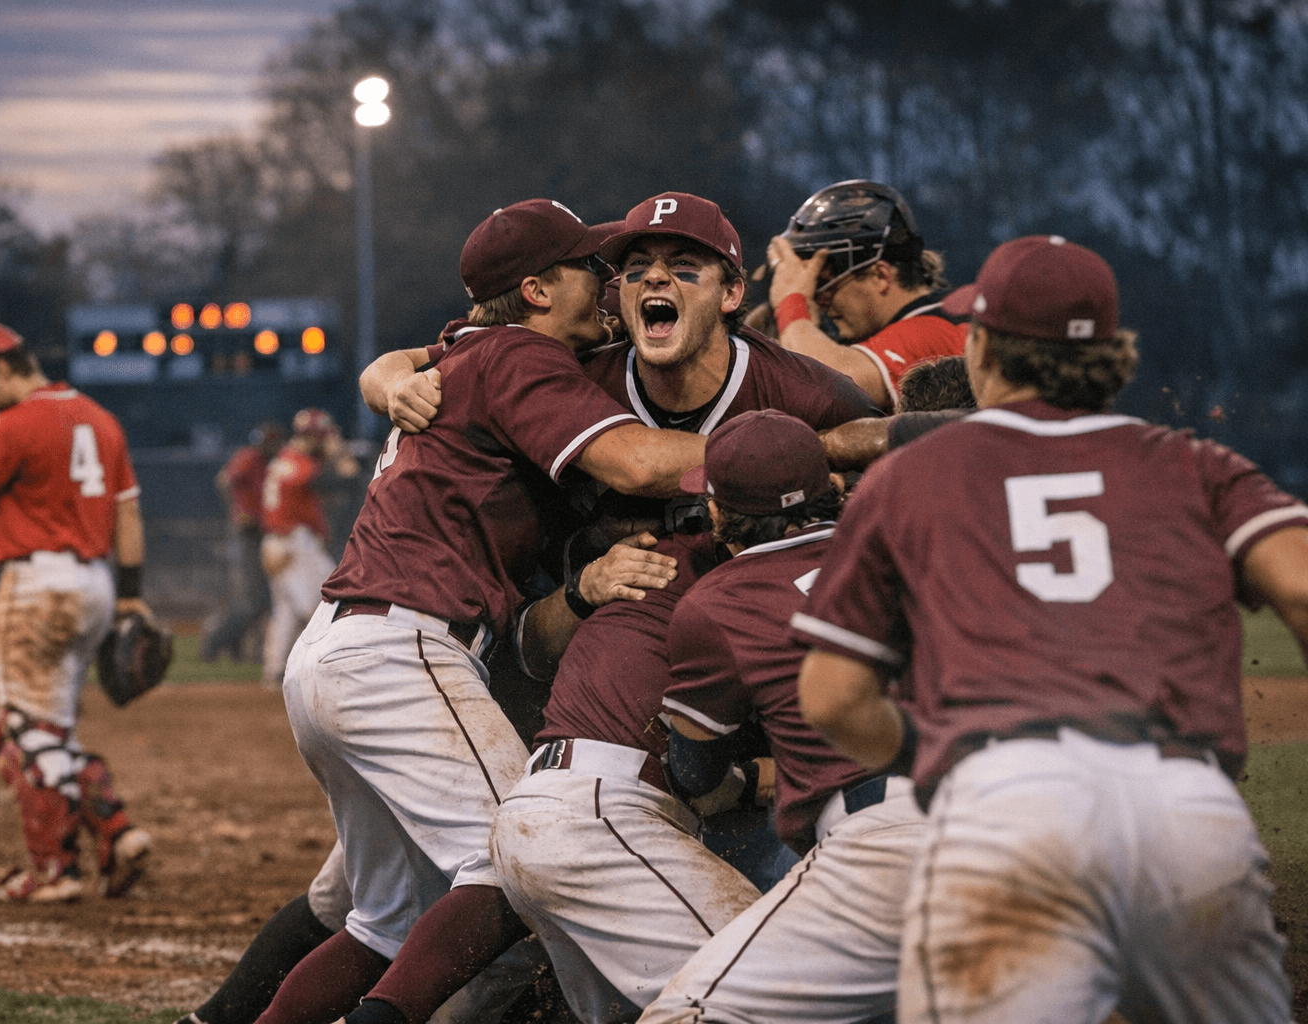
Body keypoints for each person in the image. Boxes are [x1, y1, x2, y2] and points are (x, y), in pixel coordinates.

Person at [364, 192, 876, 1024]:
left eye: (684, 267)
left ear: (732, 293)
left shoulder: (804, 392)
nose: (654, 280)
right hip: (586, 727)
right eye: (635, 268)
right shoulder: (573, 375)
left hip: (739, 751)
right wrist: (390, 377)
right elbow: (527, 640)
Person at [794, 236, 1308, 1023]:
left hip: (1007, 807)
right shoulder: (1193, 463)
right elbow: (1300, 587)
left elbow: (832, 699)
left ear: (979, 347)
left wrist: (923, 747)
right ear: (1111, 355)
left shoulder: (909, 478)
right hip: (1186, 811)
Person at [253, 198, 709, 1024]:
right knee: (526, 859)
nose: (607, 282)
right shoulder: (518, 354)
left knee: (385, 925)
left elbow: (400, 363)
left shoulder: (470, 349)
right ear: (536, 290)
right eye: (589, 268)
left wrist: (384, 375)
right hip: (403, 651)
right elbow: (638, 464)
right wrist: (791, 452)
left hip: (339, 650)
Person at [636, 409, 925, 1024]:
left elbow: (694, 771)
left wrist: (744, 778)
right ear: (833, 487)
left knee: (685, 1014)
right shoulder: (912, 535)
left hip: (887, 838)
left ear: (717, 515)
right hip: (1021, 807)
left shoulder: (716, 601)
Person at [0, 321, 154, 904]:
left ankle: (57, 871)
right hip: (96, 583)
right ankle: (113, 835)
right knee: (52, 734)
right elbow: (128, 516)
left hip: (36, 585)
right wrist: (129, 594)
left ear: (2, 368)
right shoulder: (100, 418)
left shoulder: (17, 422)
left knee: (18, 733)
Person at [765, 179, 967, 412]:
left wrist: (791, 302)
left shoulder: (932, 330)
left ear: (880, 276)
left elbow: (827, 390)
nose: (818, 298)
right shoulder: (937, 315)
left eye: (825, 282)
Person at [258, 408, 358, 685]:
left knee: (286, 611)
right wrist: (337, 453)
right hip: (293, 543)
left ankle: (276, 669)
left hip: (281, 541)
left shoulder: (286, 458)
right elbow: (345, 478)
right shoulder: (298, 461)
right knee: (329, 601)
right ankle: (325, 665)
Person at [201, 421, 285, 664]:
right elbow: (223, 480)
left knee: (264, 600)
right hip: (246, 532)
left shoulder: (274, 462)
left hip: (263, 532)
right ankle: (214, 641)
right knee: (249, 602)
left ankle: (246, 649)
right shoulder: (250, 456)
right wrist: (238, 510)